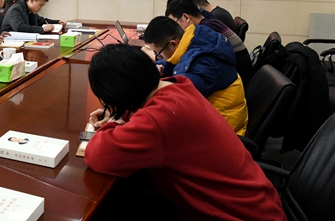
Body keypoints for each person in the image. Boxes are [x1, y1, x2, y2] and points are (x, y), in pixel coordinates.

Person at [85, 44, 285, 221]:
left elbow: (98, 155)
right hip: (255, 205)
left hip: (233, 215)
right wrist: (121, 112)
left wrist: (114, 120)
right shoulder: (178, 86)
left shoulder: (158, 119)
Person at [142, 16, 248, 135]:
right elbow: (175, 60)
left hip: (224, 130)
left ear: (173, 44)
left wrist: (153, 82)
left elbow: (176, 100)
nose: (159, 57)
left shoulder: (202, 64)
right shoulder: (197, 37)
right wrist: (153, 68)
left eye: (158, 54)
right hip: (217, 118)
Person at [166, 0, 254, 83]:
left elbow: (184, 57)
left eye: (175, 23)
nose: (175, 29)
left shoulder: (204, 31)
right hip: (238, 75)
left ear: (186, 17)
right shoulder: (209, 19)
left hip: (238, 79)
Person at [0, 0, 66, 34]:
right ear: (32, 0)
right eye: (40, 5)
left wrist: (57, 22)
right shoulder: (16, 9)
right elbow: (19, 28)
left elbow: (41, 20)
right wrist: (42, 29)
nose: (40, 9)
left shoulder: (30, 10)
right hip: (9, 43)